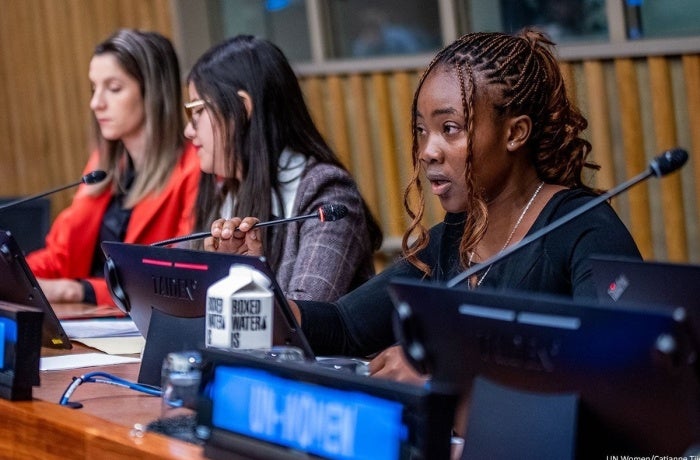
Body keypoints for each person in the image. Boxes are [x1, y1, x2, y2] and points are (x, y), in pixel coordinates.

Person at [283, 29, 642, 382]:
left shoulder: (585, 230)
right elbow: (346, 327)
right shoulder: (455, 237)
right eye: (422, 130)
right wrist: (256, 292)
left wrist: (442, 377)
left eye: (450, 128)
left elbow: (614, 373)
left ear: (515, 133)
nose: (428, 151)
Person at [184, 35, 382, 302]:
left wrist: (252, 277)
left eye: (197, 111)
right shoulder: (223, 191)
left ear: (242, 109)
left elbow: (306, 315)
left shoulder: (327, 193)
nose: (188, 130)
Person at [27, 29, 201, 306]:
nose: (96, 103)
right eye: (94, 88)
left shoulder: (193, 168)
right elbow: (60, 256)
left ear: (152, 93)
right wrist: (14, 275)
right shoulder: (103, 165)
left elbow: (176, 282)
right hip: (90, 327)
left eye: (114, 88)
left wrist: (76, 290)